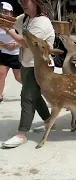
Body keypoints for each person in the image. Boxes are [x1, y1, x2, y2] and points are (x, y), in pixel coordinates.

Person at [1, 0, 55, 148]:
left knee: (27, 96)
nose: (23, 3)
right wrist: (4, 19)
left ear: (36, 2)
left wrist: (6, 29)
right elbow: (12, 23)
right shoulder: (24, 18)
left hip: (39, 66)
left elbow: (26, 43)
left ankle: (21, 134)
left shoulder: (42, 23)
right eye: (21, 1)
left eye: (26, 1)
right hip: (26, 64)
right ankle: (49, 121)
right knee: (35, 96)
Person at [0, 2, 22, 103]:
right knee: (1, 74)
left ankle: (32, 90)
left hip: (15, 54)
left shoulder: (16, 23)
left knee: (18, 77)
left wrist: (15, 45)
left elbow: (24, 39)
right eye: (2, 11)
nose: (3, 13)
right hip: (3, 53)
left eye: (5, 11)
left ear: (10, 13)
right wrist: (6, 46)